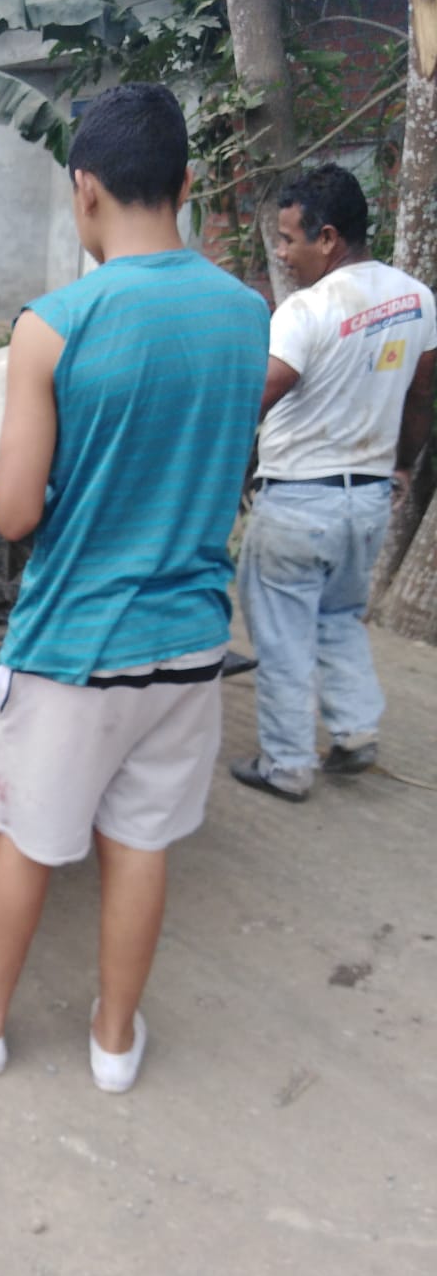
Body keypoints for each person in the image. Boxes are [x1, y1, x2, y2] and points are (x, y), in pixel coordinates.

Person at [0, 84, 269, 1093]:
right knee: (142, 841)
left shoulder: (55, 325)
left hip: (76, 645)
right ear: (187, 183)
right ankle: (115, 1041)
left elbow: (17, 515)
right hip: (189, 641)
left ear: (85, 189)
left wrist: (10, 486)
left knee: (30, 838)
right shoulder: (249, 313)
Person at [230, 164, 436, 801]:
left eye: (288, 239)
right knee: (340, 615)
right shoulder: (417, 299)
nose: (281, 253)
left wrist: (218, 462)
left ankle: (288, 764)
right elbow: (421, 396)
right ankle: (354, 730)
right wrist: (402, 464)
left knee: (282, 633)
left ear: (327, 238)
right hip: (368, 501)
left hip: (298, 503)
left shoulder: (307, 310)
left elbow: (256, 396)